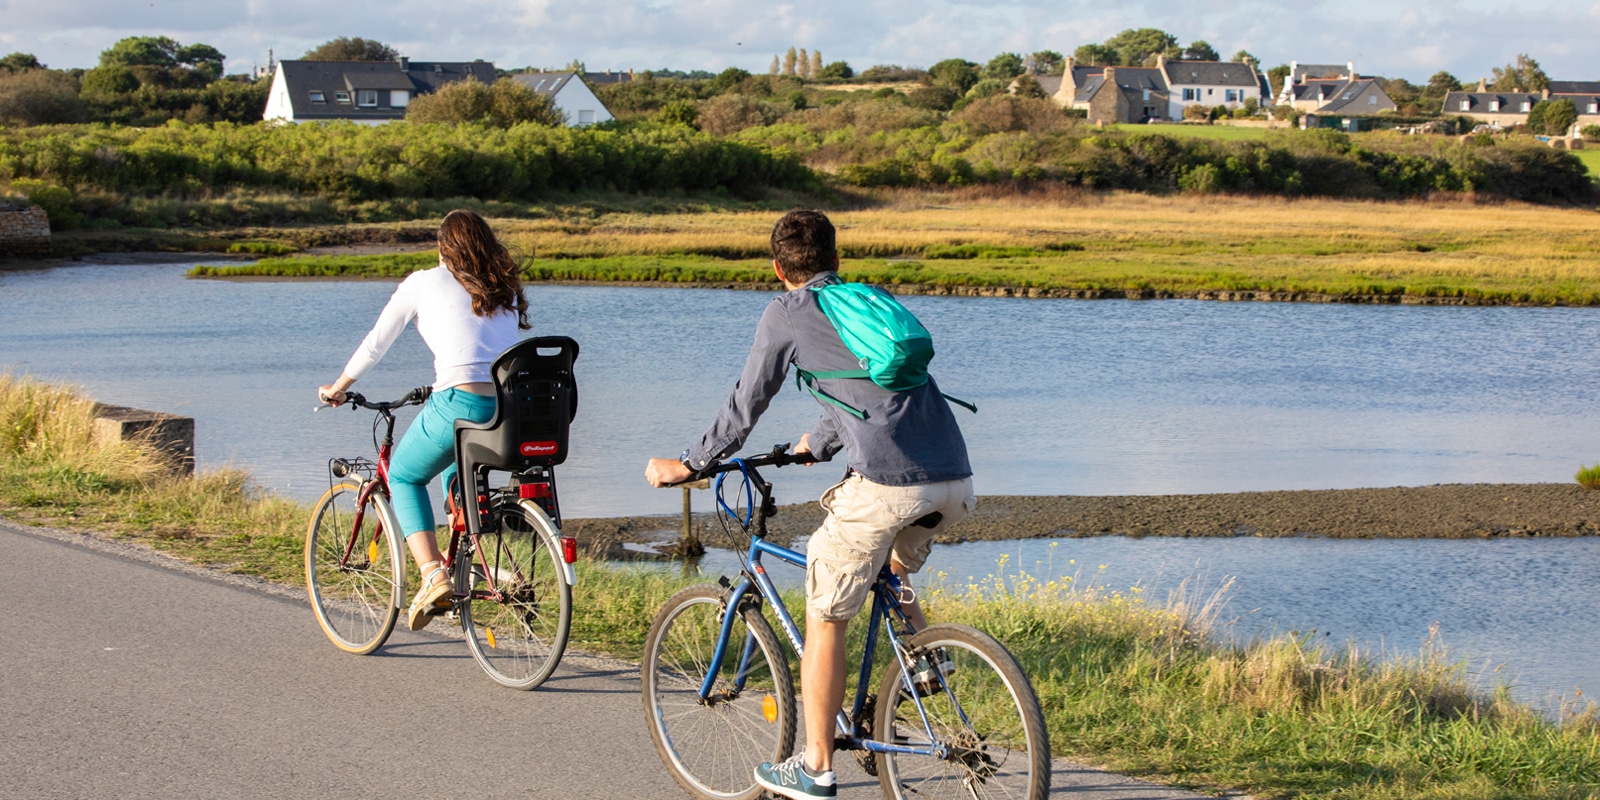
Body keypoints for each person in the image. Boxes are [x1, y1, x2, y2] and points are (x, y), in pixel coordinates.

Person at [645, 209, 974, 800]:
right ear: (836, 259)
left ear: (777, 268)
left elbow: (746, 403)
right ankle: (927, 661)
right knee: (888, 569)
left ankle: (816, 765)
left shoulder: (787, 312)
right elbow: (862, 391)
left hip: (887, 481)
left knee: (826, 614)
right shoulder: (866, 301)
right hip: (953, 475)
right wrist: (815, 444)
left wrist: (690, 463)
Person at [319, 209, 530, 632]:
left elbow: (375, 344)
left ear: (442, 248)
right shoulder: (500, 286)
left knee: (404, 476)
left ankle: (433, 575)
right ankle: (485, 570)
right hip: (509, 410)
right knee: (457, 480)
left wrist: (337, 387)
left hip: (458, 403)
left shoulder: (423, 282)